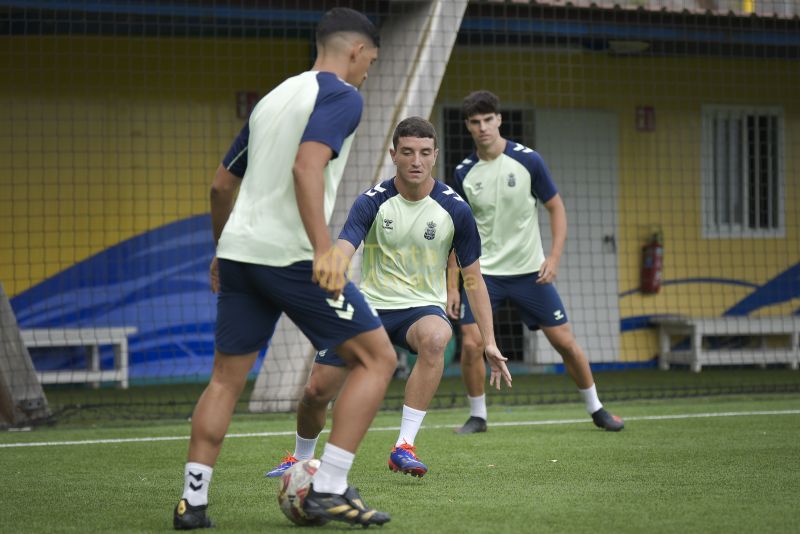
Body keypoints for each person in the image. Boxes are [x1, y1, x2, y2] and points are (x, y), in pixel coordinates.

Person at [173, 8, 396, 530]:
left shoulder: (272, 99)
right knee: (377, 359)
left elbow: (220, 187)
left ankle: (193, 503)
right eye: (371, 62)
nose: (368, 72)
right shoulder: (343, 94)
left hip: (241, 256)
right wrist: (324, 249)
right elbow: (307, 165)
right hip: (291, 257)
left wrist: (222, 252)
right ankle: (331, 488)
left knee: (225, 381)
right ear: (357, 52)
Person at [264, 117, 512, 480]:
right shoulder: (372, 202)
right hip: (369, 307)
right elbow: (343, 250)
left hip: (421, 309)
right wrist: (328, 274)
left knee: (437, 337)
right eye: (408, 152)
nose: (416, 161)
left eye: (425, 153)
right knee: (317, 390)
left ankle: (404, 447)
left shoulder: (455, 209)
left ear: (435, 155)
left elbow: (473, 280)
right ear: (393, 154)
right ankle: (300, 458)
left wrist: (489, 341)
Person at [446, 90, 624, 434]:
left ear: (499, 119)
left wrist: (553, 257)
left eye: (488, 119)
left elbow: (556, 207)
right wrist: (451, 285)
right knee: (470, 343)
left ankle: (597, 408)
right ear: (467, 126)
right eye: (475, 122)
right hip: (481, 275)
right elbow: (457, 233)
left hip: (529, 271)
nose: (482, 127)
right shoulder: (463, 172)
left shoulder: (529, 161)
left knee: (564, 342)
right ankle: (478, 415)